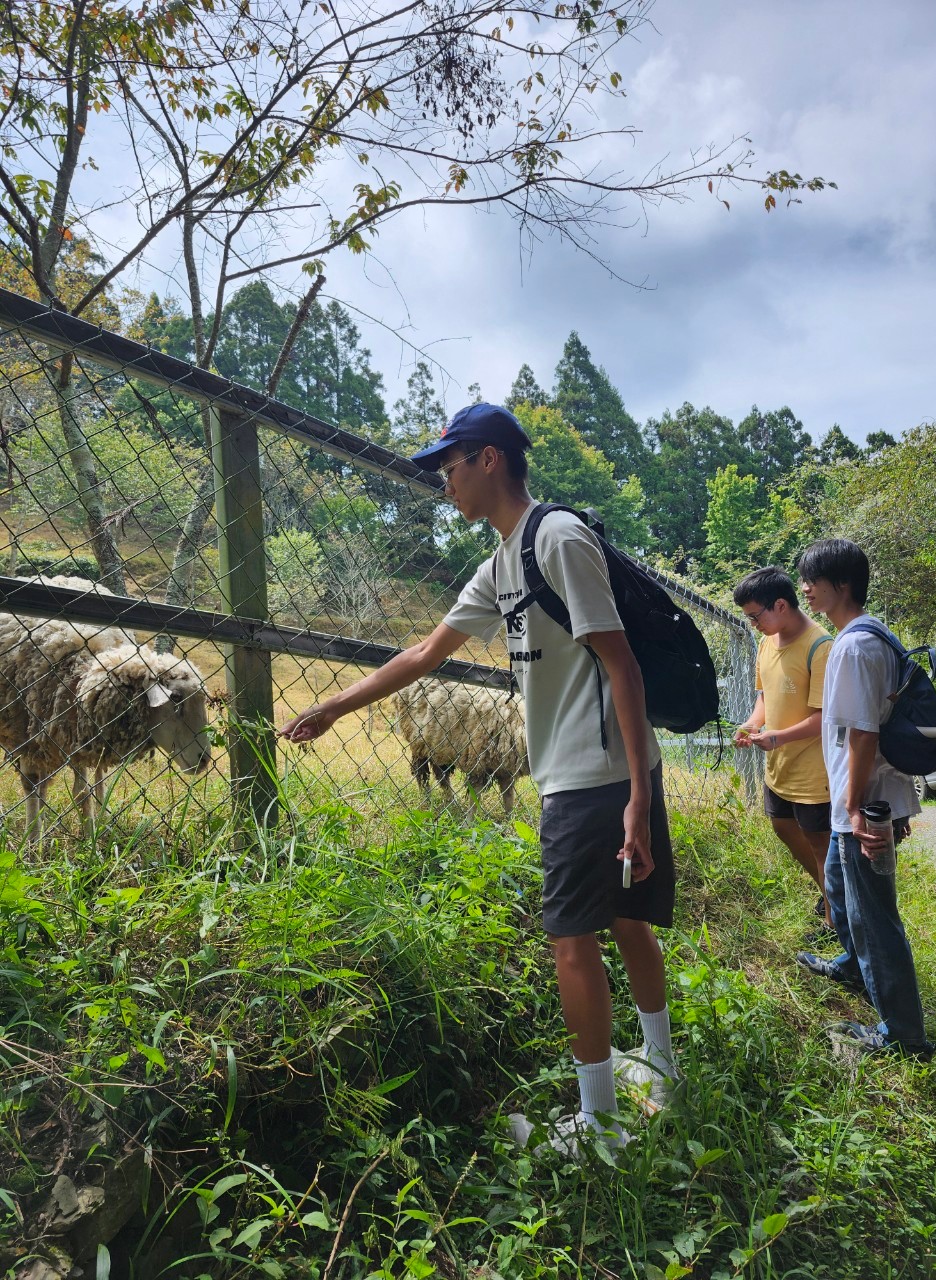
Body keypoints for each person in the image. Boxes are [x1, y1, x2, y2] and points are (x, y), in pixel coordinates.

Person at [279, 402, 679, 1153]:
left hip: (595, 777)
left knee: (573, 942)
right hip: (590, 774)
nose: (444, 485)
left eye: (449, 466)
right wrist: (332, 706)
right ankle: (659, 1075)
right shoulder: (503, 563)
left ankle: (599, 1125)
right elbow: (423, 656)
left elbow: (619, 662)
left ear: (489, 459)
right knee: (622, 925)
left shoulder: (557, 538)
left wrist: (634, 794)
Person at [794, 538, 934, 1058]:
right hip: (860, 800)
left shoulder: (854, 646)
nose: (805, 588)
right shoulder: (870, 635)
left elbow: (863, 736)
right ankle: (853, 966)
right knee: (840, 885)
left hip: (863, 803)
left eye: (813, 580)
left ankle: (903, 1035)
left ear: (842, 585)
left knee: (875, 916)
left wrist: (854, 810)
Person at [732, 567, 834, 932]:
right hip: (779, 770)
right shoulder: (765, 643)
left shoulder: (821, 647)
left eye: (755, 616)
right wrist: (752, 723)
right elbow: (764, 697)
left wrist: (777, 738)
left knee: (822, 848)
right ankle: (833, 897)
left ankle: (835, 928)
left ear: (780, 604)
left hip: (814, 773)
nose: (753, 623)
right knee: (783, 827)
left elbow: (825, 717)